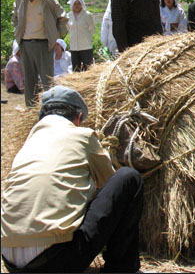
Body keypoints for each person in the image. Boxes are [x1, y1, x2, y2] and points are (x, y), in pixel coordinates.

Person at [1, 85, 144, 273]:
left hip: (10, 260)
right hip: (56, 261)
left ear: (41, 117)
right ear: (77, 118)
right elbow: (109, 185)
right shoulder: (82, 135)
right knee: (128, 179)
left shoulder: (28, 145)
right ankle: (121, 267)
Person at [13, 0, 68, 107]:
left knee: (47, 80)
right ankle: (30, 109)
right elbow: (15, 19)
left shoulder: (47, 1)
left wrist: (57, 35)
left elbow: (63, 17)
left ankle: (51, 107)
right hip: (26, 44)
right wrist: (17, 34)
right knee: (29, 80)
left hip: (44, 44)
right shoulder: (20, 0)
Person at [66, 0, 95, 72]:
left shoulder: (87, 15)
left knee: (88, 69)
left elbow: (92, 29)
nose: (77, 6)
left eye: (79, 3)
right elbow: (69, 28)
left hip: (86, 46)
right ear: (72, 4)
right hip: (74, 46)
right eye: (75, 3)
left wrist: (85, 37)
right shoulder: (68, 16)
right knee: (76, 69)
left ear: (82, 4)